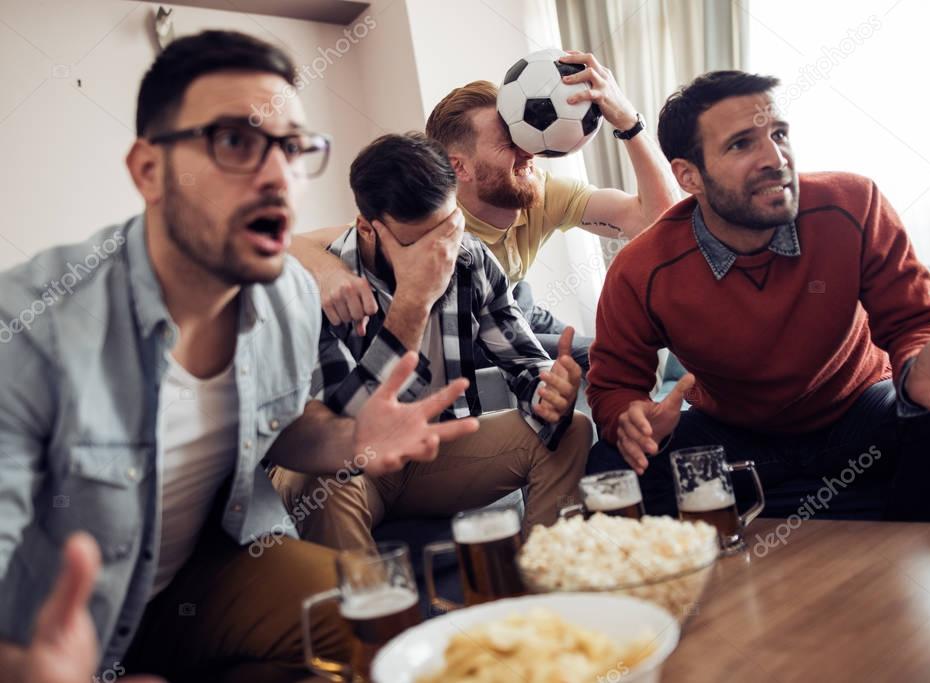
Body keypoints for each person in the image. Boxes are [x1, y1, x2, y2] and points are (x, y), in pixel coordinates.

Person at [0, 31, 477, 683]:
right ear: (148, 170)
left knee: (370, 611)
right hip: (52, 627)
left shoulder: (284, 295)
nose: (277, 175)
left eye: (292, 148)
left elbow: (284, 429)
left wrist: (350, 437)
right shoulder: (28, 328)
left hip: (201, 578)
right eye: (234, 143)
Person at [586, 70, 930, 523]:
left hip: (860, 410)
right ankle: (692, 588)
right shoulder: (641, 268)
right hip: (734, 434)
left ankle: (911, 565)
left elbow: (917, 321)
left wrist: (920, 367)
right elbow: (613, 383)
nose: (775, 157)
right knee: (611, 467)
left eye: (778, 134)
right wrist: (629, 419)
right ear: (689, 176)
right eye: (741, 144)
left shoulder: (853, 203)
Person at [270, 132, 592, 551]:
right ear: (368, 228)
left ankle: (549, 586)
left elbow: (524, 361)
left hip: (434, 454)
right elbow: (337, 430)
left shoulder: (471, 259)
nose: (442, 250)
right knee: (317, 482)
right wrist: (413, 301)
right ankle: (377, 612)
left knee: (570, 430)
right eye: (419, 241)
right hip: (354, 464)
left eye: (449, 226)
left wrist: (548, 390)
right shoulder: (318, 287)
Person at [288, 52, 681, 372]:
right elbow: (294, 244)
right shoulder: (436, 215)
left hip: (517, 303)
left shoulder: (539, 188)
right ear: (460, 167)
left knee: (625, 357)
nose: (527, 149)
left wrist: (628, 122)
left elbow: (658, 221)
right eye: (507, 141)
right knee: (599, 364)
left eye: (523, 129)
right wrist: (329, 272)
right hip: (466, 322)